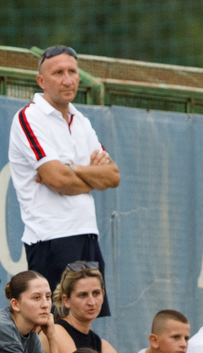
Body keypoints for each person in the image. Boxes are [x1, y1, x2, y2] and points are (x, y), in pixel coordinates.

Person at [8, 44, 119, 304]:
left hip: (87, 234)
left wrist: (72, 169)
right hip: (51, 238)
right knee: (56, 324)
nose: (67, 79)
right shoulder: (29, 117)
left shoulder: (82, 121)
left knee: (85, 321)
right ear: (41, 81)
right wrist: (90, 175)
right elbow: (57, 180)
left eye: (72, 71)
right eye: (58, 73)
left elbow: (113, 176)